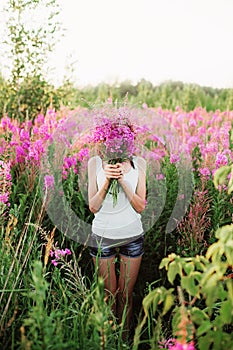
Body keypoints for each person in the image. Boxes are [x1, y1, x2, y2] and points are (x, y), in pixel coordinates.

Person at [87, 118, 147, 338]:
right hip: (102, 237)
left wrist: (122, 181)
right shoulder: (94, 163)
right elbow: (93, 207)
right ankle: (109, 340)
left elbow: (140, 206)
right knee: (108, 296)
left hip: (132, 237)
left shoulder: (139, 163)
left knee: (125, 295)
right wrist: (107, 182)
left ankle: (124, 339)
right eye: (111, 137)